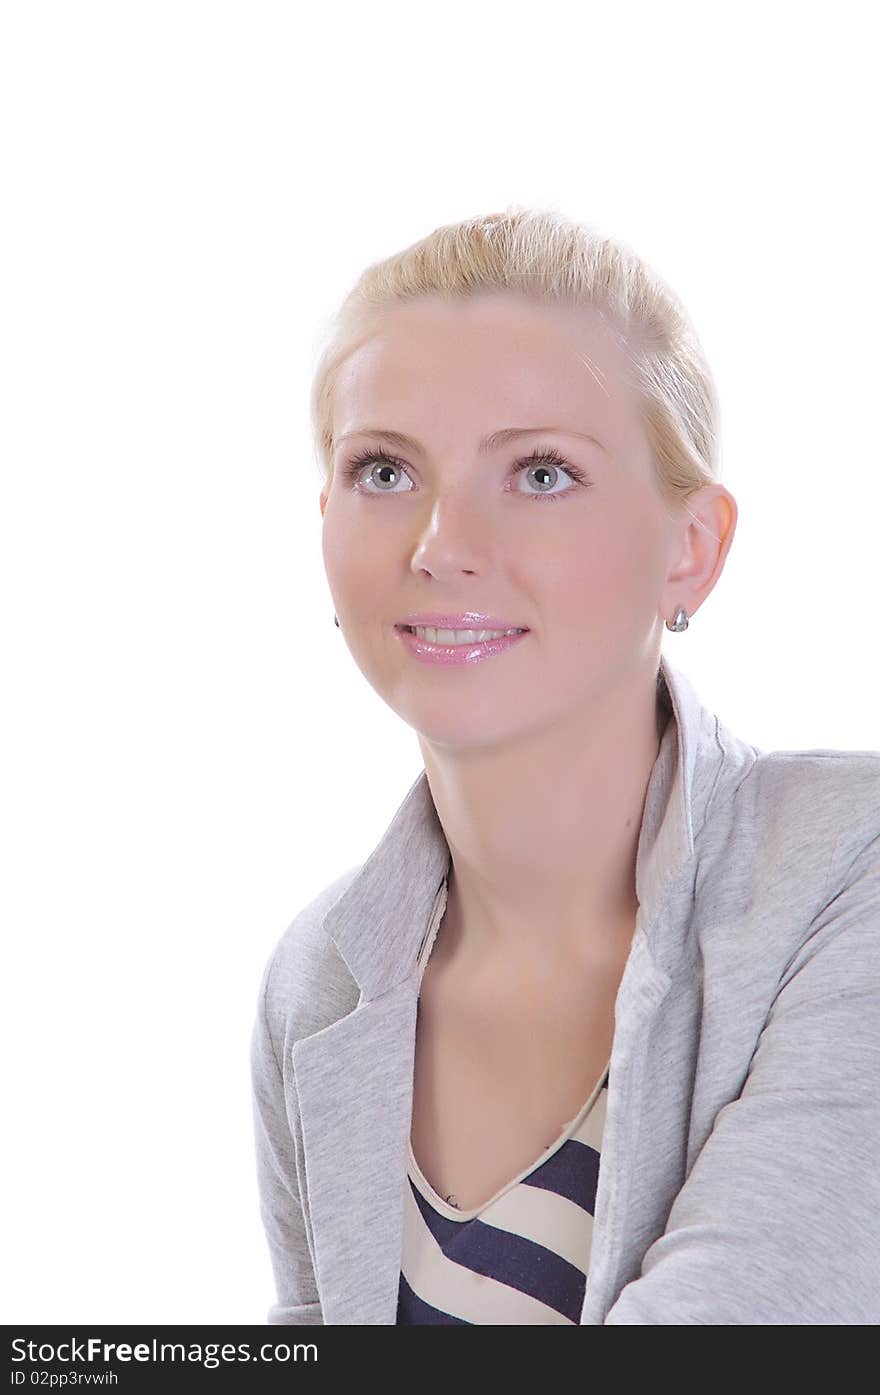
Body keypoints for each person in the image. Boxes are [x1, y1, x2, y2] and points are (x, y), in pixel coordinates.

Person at [250, 207, 880, 1325]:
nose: (440, 545)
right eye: (384, 469)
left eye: (540, 474)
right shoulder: (321, 985)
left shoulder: (846, 875)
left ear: (692, 551)